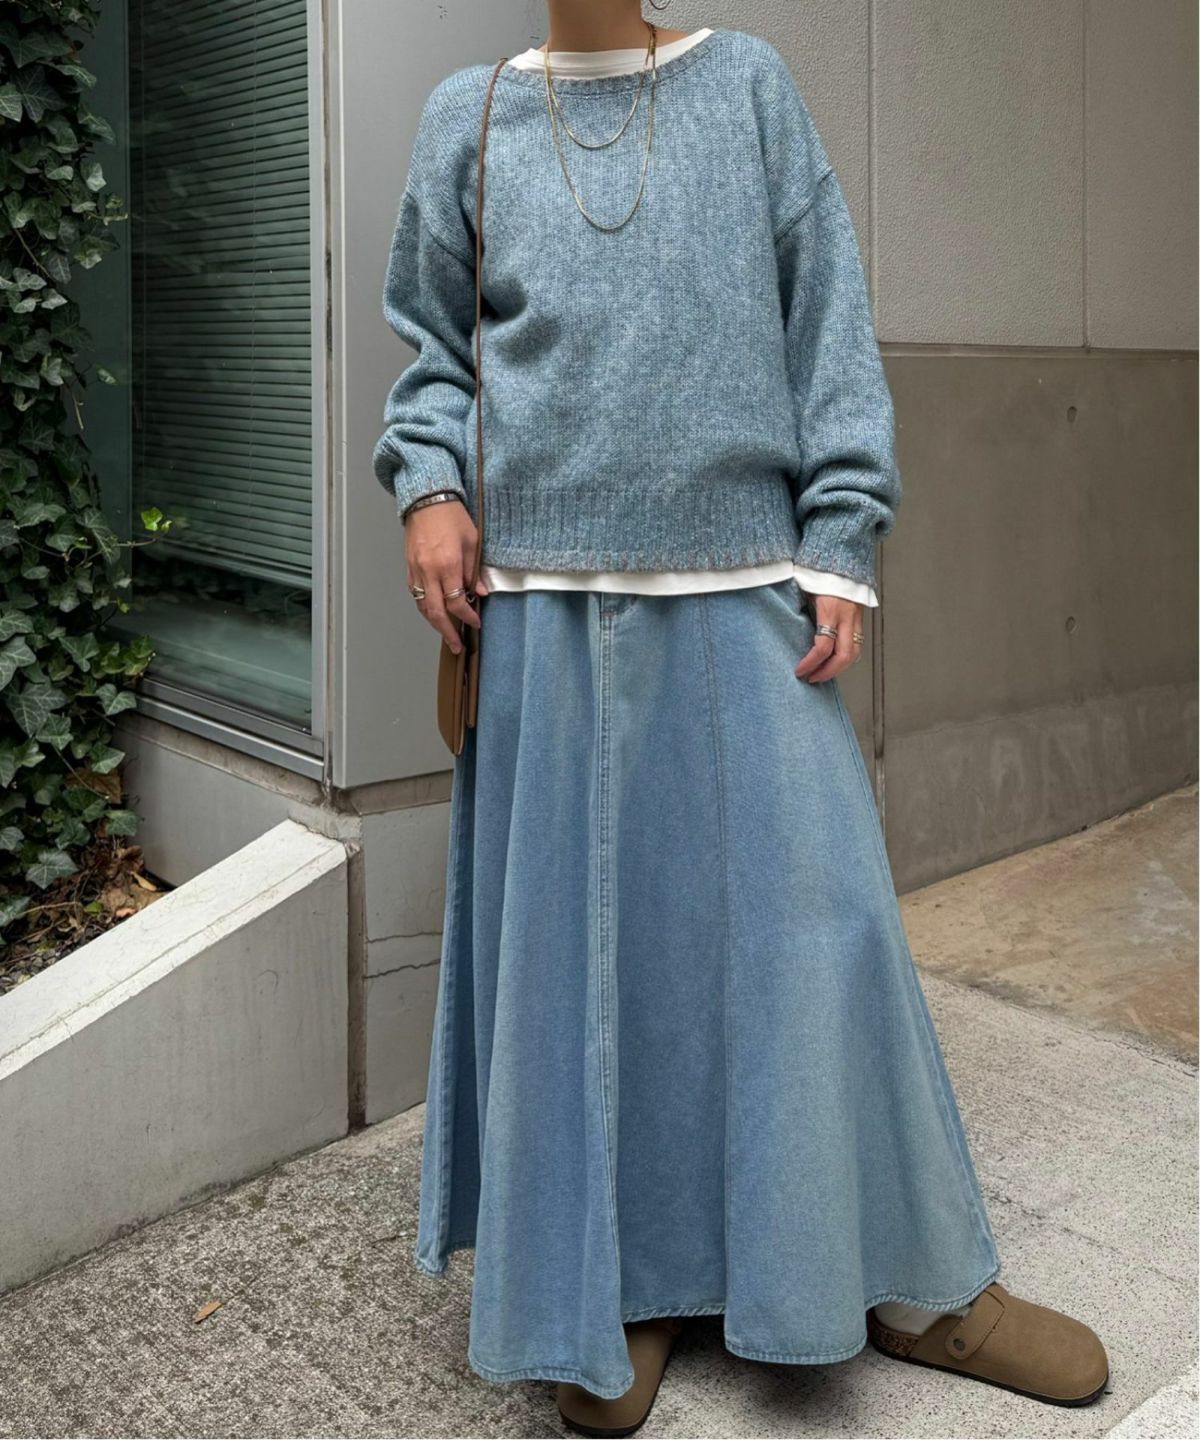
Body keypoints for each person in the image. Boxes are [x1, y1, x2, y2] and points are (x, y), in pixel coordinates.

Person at [373, 3, 1109, 1434]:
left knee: (821, 929)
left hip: (741, 584)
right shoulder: (470, 116)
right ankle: (622, 1284)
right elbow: (431, 350)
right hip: (543, 610)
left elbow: (824, 305)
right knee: (596, 959)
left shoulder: (747, 85)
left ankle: (917, 1279)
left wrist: (841, 527)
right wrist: (430, 487)